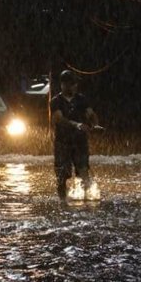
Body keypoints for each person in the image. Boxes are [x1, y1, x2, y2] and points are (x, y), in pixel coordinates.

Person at [50, 69, 100, 199]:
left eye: (74, 83)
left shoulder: (81, 99)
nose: (73, 86)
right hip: (63, 142)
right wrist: (76, 125)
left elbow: (90, 113)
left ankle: (87, 201)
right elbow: (59, 119)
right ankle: (63, 203)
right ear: (63, 84)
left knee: (83, 172)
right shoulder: (56, 101)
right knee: (62, 175)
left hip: (80, 142)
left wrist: (95, 124)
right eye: (70, 83)